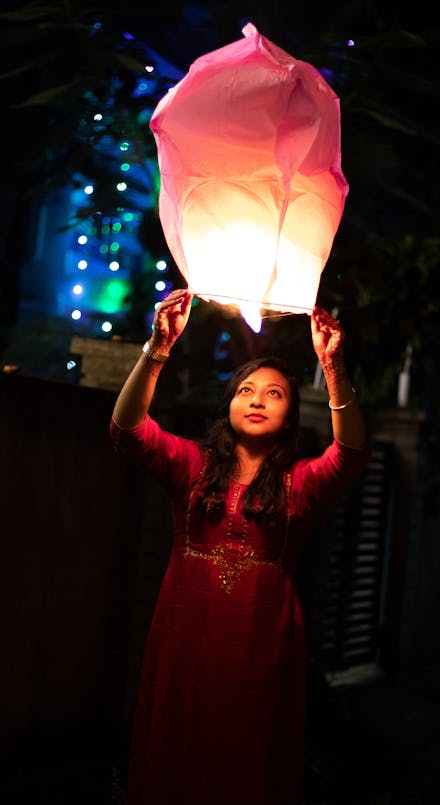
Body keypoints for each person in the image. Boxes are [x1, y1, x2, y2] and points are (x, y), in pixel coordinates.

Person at [110, 287, 369, 805]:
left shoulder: (302, 483)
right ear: (228, 403)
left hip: (262, 647)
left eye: (274, 394)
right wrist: (157, 348)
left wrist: (333, 366)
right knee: (176, 751)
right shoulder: (192, 468)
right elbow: (128, 429)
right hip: (185, 637)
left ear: (290, 416)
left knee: (245, 760)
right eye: (247, 390)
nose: (257, 400)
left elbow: (350, 453)